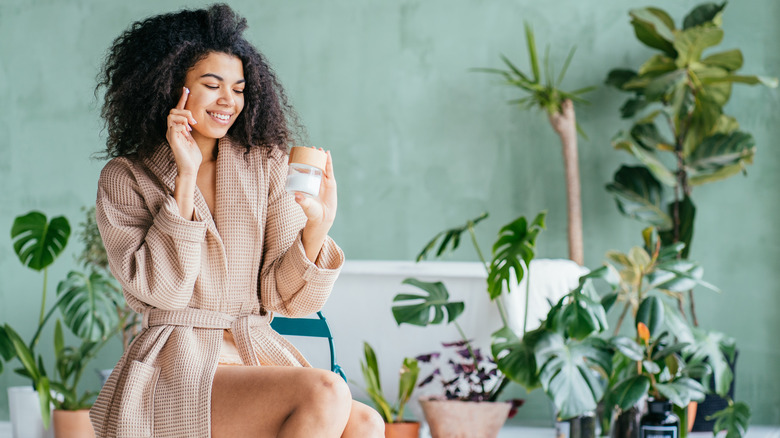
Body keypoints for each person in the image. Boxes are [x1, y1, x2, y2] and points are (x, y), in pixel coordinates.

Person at [91, 4, 384, 437]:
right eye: (212, 85)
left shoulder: (263, 166)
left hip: (251, 351)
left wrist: (317, 226)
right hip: (176, 364)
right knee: (325, 390)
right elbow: (163, 291)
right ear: (173, 88)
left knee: (365, 422)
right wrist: (185, 177)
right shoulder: (127, 177)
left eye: (239, 88)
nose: (230, 100)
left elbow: (289, 301)